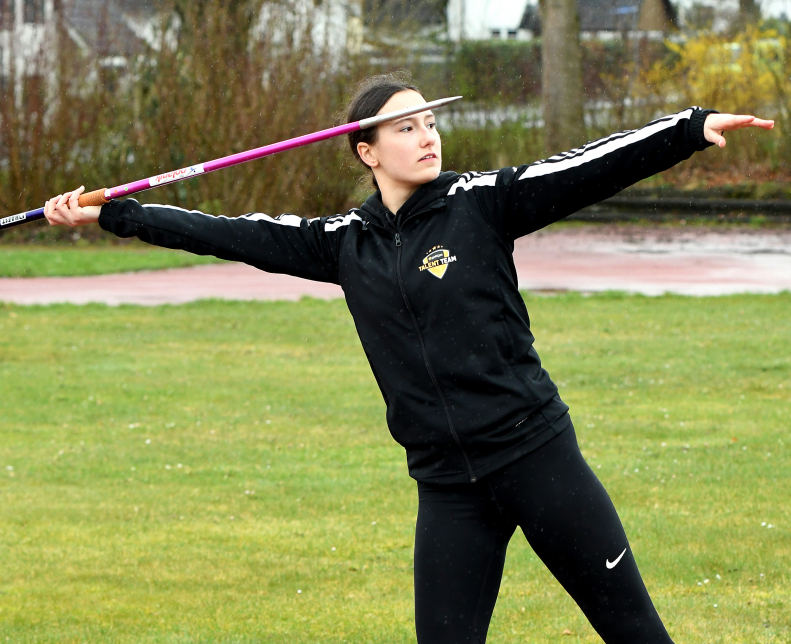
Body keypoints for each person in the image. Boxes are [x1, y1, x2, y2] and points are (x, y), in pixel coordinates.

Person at [45, 74, 774, 644]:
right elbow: (229, 232)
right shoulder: (341, 243)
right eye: (405, 127)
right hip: (448, 490)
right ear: (367, 152)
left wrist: (688, 129)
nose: (427, 136)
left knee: (635, 634)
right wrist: (115, 212)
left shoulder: (482, 203)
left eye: (429, 121)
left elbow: (585, 167)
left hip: (537, 460)